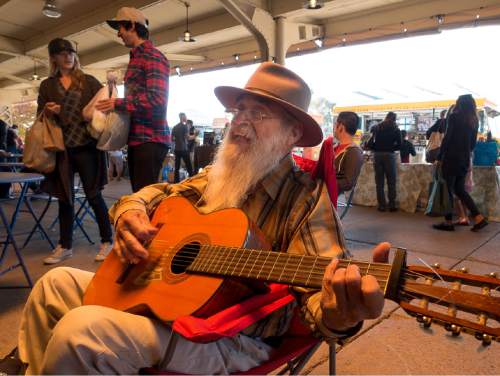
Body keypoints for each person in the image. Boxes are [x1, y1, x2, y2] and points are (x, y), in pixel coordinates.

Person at [13, 62, 391, 375]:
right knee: (54, 284)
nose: (240, 121)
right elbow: (159, 193)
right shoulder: (220, 172)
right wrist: (129, 210)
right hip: (171, 303)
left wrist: (339, 312)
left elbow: (321, 290)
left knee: (82, 332)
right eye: (239, 110)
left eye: (258, 113)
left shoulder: (305, 199)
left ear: (293, 133)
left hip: (230, 336)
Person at [34, 38, 113, 264]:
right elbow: (40, 113)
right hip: (62, 148)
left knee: (94, 195)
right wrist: (49, 111)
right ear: (54, 58)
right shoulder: (48, 85)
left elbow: (102, 111)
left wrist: (66, 112)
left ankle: (107, 240)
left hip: (87, 146)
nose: (68, 56)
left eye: (70, 52)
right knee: (65, 198)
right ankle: (65, 245)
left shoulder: (88, 82)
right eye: (62, 53)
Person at [96, 7, 170, 193]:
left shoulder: (152, 56)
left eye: (120, 28)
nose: (119, 34)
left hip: (150, 139)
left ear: (132, 26)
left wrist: (117, 103)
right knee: (141, 198)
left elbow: (157, 98)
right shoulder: (138, 57)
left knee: (145, 200)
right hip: (141, 139)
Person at [433, 94, 488, 232]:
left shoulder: (454, 117)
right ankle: (479, 217)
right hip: (464, 158)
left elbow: (447, 138)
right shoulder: (474, 120)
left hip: (451, 158)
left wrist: (439, 156)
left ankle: (448, 222)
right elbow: (472, 144)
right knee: (459, 190)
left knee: (448, 189)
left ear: (460, 104)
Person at [369, 112, 401, 212]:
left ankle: (382, 205)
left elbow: (371, 143)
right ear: (394, 119)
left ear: (386, 117)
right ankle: (392, 205)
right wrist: (391, 147)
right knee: (391, 181)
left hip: (377, 155)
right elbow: (400, 144)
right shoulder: (396, 129)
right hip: (389, 155)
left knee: (379, 182)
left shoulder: (376, 127)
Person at [333, 111, 363, 193]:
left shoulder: (354, 152)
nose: (334, 127)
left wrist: (324, 182)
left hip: (327, 197)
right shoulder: (335, 147)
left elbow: (348, 183)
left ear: (341, 127)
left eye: (336, 124)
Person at [171, 112, 193, 182]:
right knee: (189, 165)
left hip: (177, 149)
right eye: (185, 117)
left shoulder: (175, 127)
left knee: (176, 167)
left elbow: (172, 139)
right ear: (183, 117)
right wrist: (195, 135)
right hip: (184, 149)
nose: (186, 118)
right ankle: (192, 180)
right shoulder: (185, 126)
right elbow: (188, 138)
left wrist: (178, 139)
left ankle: (176, 182)